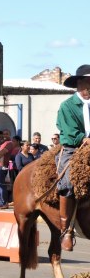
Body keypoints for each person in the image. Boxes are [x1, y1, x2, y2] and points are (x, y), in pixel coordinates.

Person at [55, 64, 90, 251]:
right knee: (68, 182)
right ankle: (66, 230)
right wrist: (84, 140)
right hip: (73, 148)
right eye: (86, 83)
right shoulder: (67, 106)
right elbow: (69, 132)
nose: (89, 88)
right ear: (78, 84)